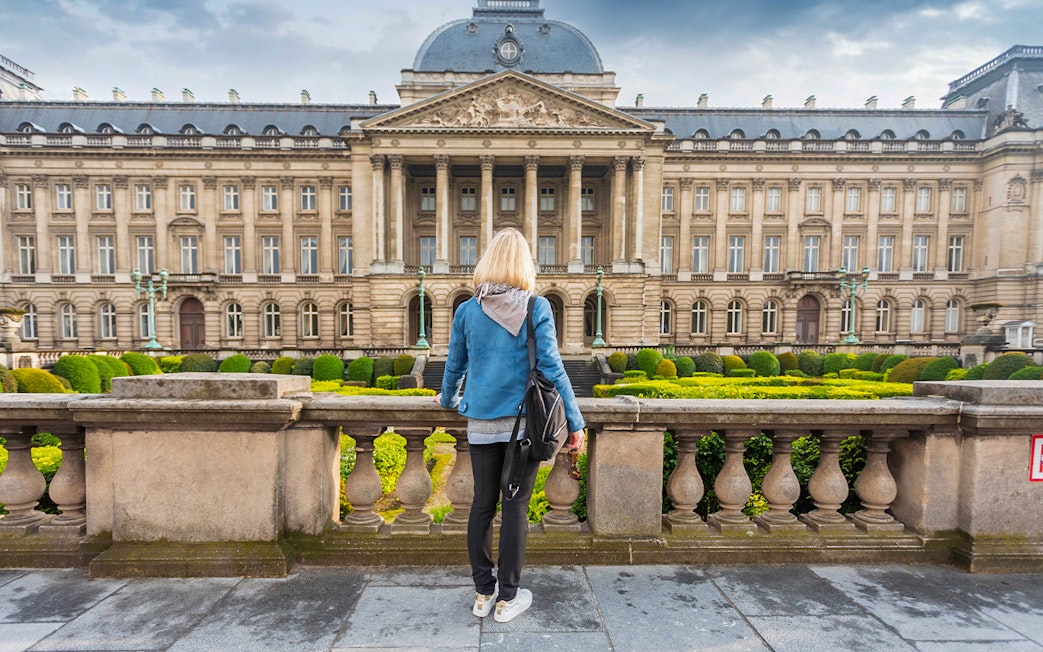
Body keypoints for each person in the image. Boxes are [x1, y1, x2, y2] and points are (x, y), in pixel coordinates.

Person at [435, 227, 585, 623]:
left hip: (481, 423)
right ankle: (508, 598)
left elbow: (455, 365)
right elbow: (552, 367)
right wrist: (575, 421)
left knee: (482, 504)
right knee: (515, 507)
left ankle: (483, 593)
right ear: (525, 265)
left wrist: (448, 399)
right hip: (524, 426)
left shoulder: (467, 310)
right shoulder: (536, 307)